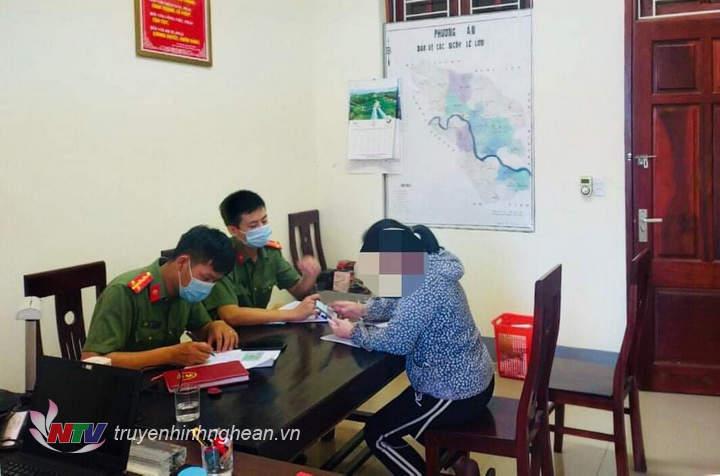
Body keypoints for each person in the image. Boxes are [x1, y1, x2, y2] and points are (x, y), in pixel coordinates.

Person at [329, 219, 495, 476]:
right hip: (469, 377)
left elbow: (398, 341)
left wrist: (353, 332)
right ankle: (461, 464)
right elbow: (399, 299)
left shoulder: (423, 285)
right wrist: (363, 310)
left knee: (378, 434)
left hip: (453, 390)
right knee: (406, 417)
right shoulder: (428, 264)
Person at [81, 225, 239, 369]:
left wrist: (215, 326)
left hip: (170, 380)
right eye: (205, 278)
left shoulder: (185, 291)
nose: (208, 286)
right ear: (182, 262)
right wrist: (169, 355)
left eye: (214, 281)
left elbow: (201, 327)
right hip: (126, 385)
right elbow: (92, 360)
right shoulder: (124, 292)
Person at [203, 190, 320, 325]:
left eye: (264, 221)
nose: (262, 228)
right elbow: (230, 314)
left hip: (259, 329)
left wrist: (309, 276)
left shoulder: (270, 253)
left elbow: (298, 291)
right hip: (226, 333)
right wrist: (291, 314)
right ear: (233, 230)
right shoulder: (221, 258)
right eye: (253, 226)